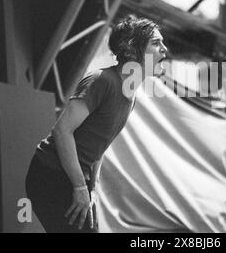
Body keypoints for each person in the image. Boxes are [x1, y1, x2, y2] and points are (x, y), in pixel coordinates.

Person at [25, 15, 168, 233]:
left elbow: (99, 145)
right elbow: (62, 131)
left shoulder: (131, 95)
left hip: (74, 177)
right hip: (50, 174)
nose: (164, 49)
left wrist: (93, 186)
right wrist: (79, 186)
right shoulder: (102, 81)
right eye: (156, 43)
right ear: (131, 50)